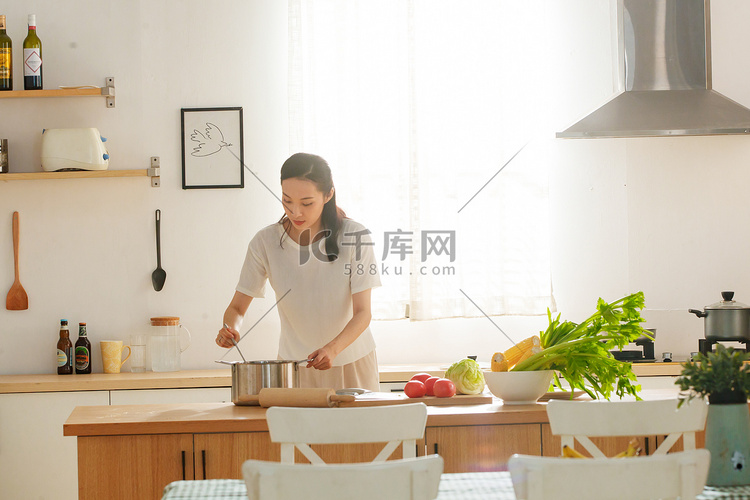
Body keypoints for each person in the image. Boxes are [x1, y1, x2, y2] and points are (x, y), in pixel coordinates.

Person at [216, 152, 381, 391]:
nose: (295, 212)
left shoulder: (355, 236)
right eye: (287, 200)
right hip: (293, 368)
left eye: (306, 203)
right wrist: (231, 328)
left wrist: (332, 349)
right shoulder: (266, 242)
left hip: (351, 364)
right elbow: (237, 308)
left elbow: (363, 313)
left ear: (328, 195)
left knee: (360, 429)